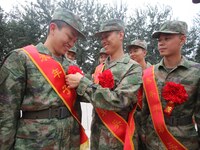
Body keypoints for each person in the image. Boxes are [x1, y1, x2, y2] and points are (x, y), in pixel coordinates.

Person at [0, 8, 88, 149]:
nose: (72, 43)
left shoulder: (71, 66)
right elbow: (6, 113)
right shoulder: (22, 59)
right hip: (34, 142)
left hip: (67, 142)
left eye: (75, 40)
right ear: (53, 28)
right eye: (69, 36)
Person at [66, 19, 142, 150]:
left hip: (118, 140)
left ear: (121, 35)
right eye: (102, 37)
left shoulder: (133, 68)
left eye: (107, 36)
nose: (103, 40)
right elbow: (90, 96)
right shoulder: (100, 68)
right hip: (96, 137)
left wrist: (82, 83)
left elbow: (120, 100)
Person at [141, 20, 200, 149]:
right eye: (159, 40)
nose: (161, 43)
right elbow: (144, 111)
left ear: (182, 39)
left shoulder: (196, 72)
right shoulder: (150, 73)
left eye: (167, 38)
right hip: (153, 141)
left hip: (183, 142)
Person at [127, 39, 152, 150]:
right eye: (130, 52)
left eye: (135, 51)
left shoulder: (153, 72)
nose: (132, 54)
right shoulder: (127, 73)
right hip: (131, 118)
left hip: (149, 120)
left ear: (144, 52)